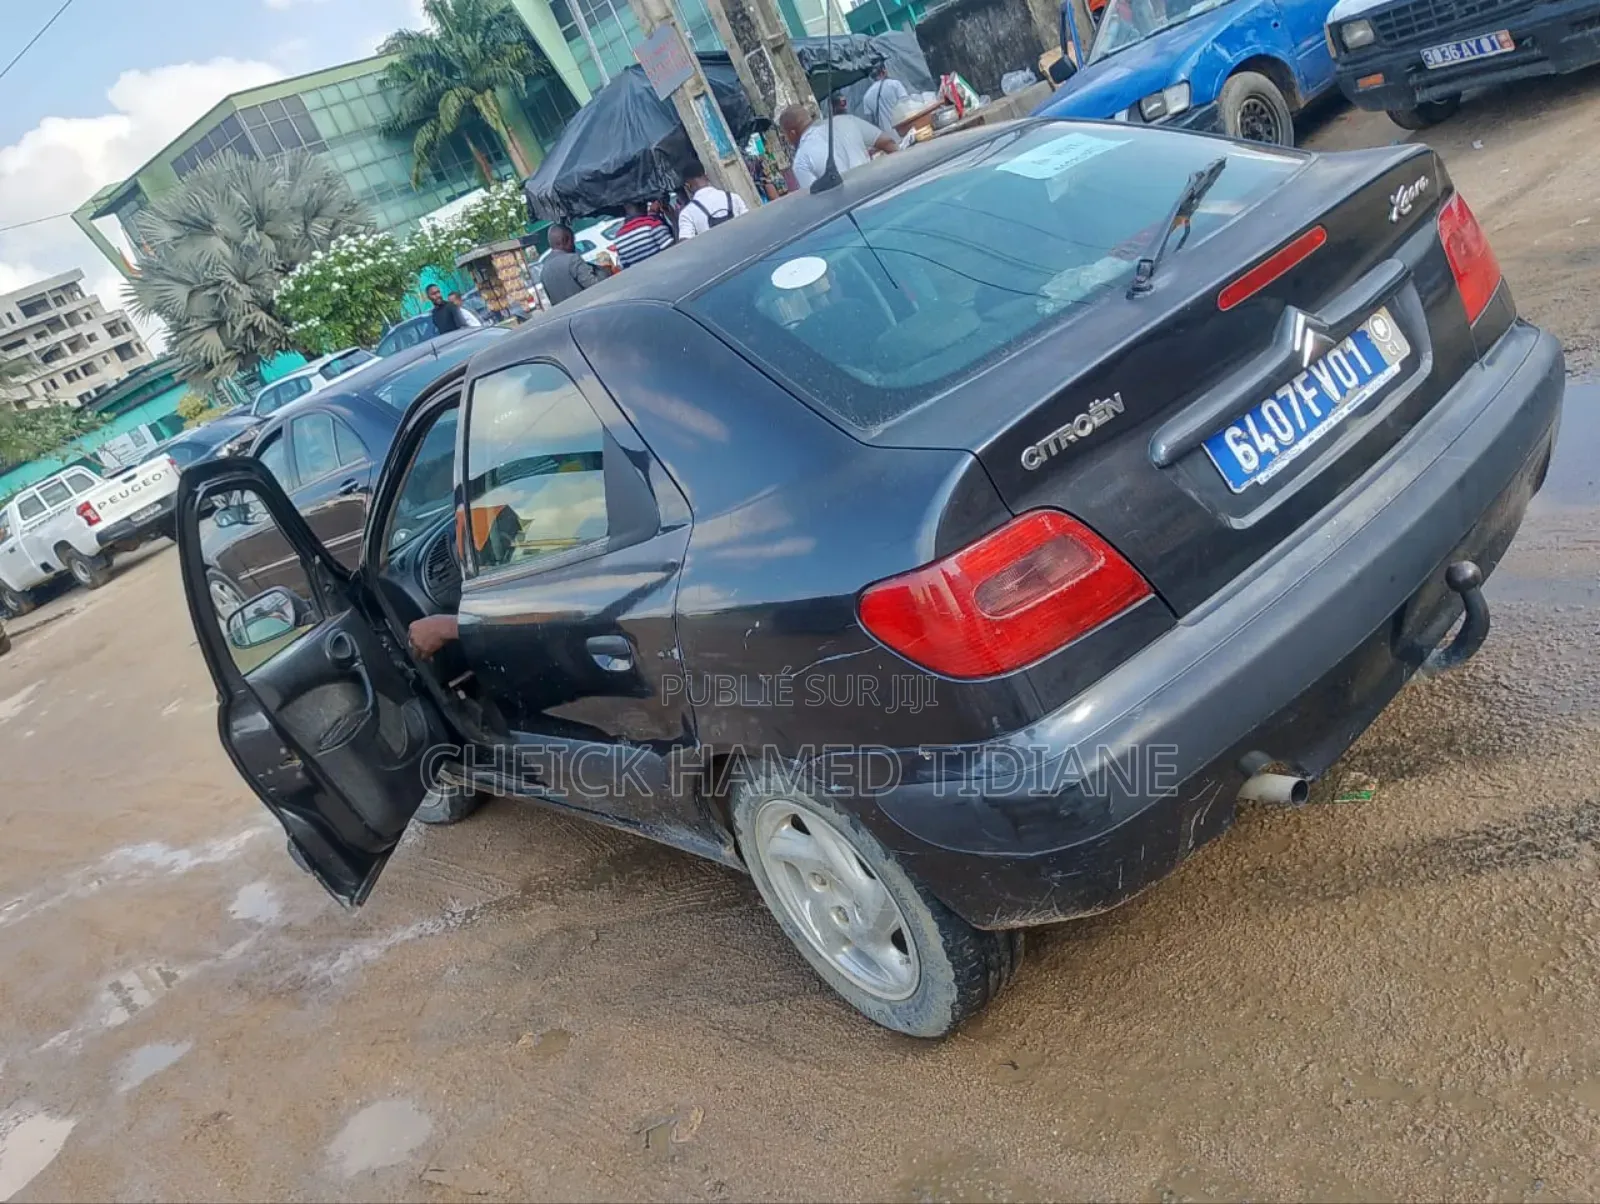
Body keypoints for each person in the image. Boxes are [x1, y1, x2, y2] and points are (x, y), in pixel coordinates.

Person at [778, 103, 900, 192]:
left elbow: (816, 203)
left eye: (786, 136)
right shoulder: (848, 121)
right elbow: (888, 143)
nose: (788, 141)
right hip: (878, 193)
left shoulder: (801, 160)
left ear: (792, 133)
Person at [677, 159, 748, 241]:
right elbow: (749, 222)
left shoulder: (687, 213)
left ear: (688, 186)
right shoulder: (733, 197)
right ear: (707, 177)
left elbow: (685, 243)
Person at [541, 222, 608, 306]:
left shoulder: (544, 271)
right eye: (573, 241)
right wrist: (604, 272)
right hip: (587, 310)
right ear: (567, 240)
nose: (574, 246)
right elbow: (595, 285)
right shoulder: (572, 259)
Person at [612, 200, 674, 268]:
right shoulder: (652, 223)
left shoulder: (618, 238)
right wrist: (674, 220)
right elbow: (673, 251)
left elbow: (626, 267)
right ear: (643, 205)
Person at [860, 59, 910, 134]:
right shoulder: (895, 84)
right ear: (884, 70)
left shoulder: (866, 97)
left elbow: (871, 123)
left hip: (887, 138)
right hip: (904, 130)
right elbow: (907, 105)